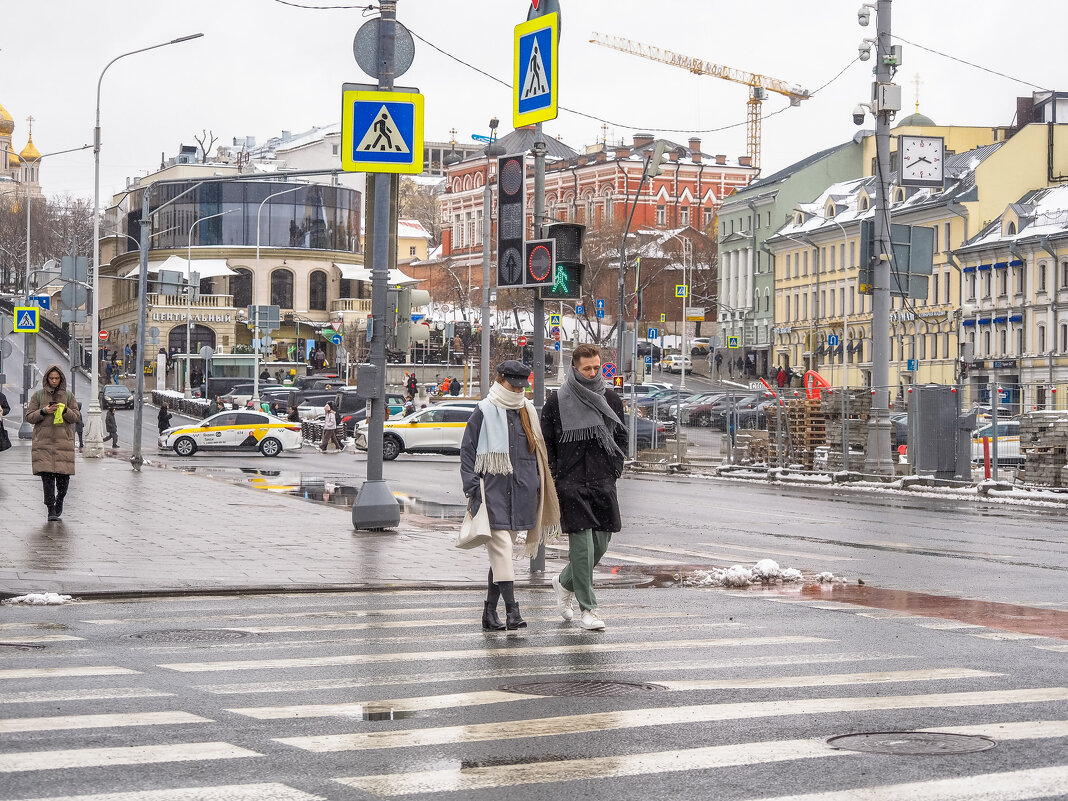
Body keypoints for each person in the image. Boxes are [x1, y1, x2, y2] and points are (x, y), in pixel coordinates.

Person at [460, 360, 560, 632]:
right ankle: (513, 611)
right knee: (502, 548)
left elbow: (537, 452)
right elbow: (468, 451)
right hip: (491, 491)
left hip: (523, 492)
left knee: (500, 555)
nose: (517, 390)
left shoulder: (527, 410)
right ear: (500, 379)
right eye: (512, 384)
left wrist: (538, 484)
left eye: (521, 386)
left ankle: (489, 613)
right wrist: (472, 487)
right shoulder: (484, 410)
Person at [541, 344, 627, 631]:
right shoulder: (557, 401)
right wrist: (556, 475)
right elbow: (547, 442)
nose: (592, 373)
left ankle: (564, 581)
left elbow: (622, 437)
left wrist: (615, 468)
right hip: (571, 481)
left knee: (600, 545)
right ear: (574, 368)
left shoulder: (611, 399)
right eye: (586, 368)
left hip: (603, 480)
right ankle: (588, 609)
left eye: (596, 367)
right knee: (582, 547)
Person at [25, 365, 80, 522]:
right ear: (47, 379)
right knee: (47, 478)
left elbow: (75, 417)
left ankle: (60, 499)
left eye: (57, 378)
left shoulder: (68, 396)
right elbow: (29, 416)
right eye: (51, 378)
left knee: (64, 479)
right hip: (44, 443)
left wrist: (64, 411)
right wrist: (43, 411)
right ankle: (51, 509)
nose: (54, 381)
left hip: (64, 443)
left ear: (61, 378)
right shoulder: (39, 395)